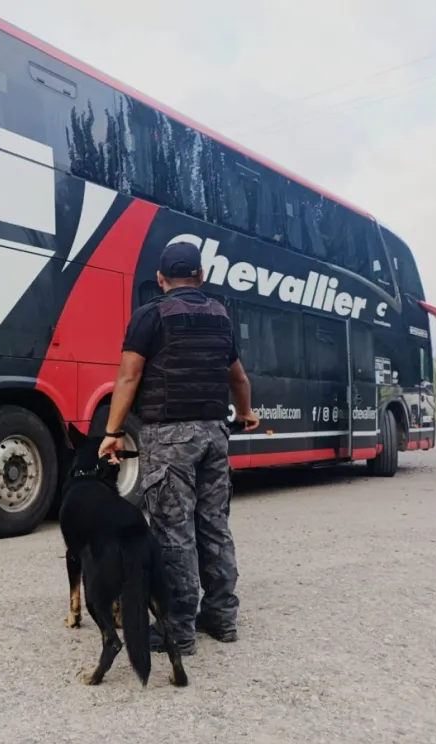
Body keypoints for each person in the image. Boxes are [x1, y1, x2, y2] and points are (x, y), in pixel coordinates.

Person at [97, 241, 259, 655]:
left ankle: (178, 628)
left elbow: (129, 377)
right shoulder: (221, 316)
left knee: (174, 531)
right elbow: (237, 377)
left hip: (169, 438)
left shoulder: (149, 315)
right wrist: (245, 413)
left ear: (160, 279)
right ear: (201, 277)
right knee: (214, 525)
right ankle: (222, 618)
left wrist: (113, 430)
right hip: (214, 436)